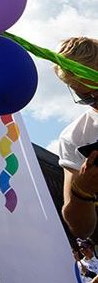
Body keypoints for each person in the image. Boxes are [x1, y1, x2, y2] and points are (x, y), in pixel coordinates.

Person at [53, 37, 98, 238]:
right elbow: (81, 230)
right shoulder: (75, 137)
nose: (95, 103)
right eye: (86, 97)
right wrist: (82, 190)